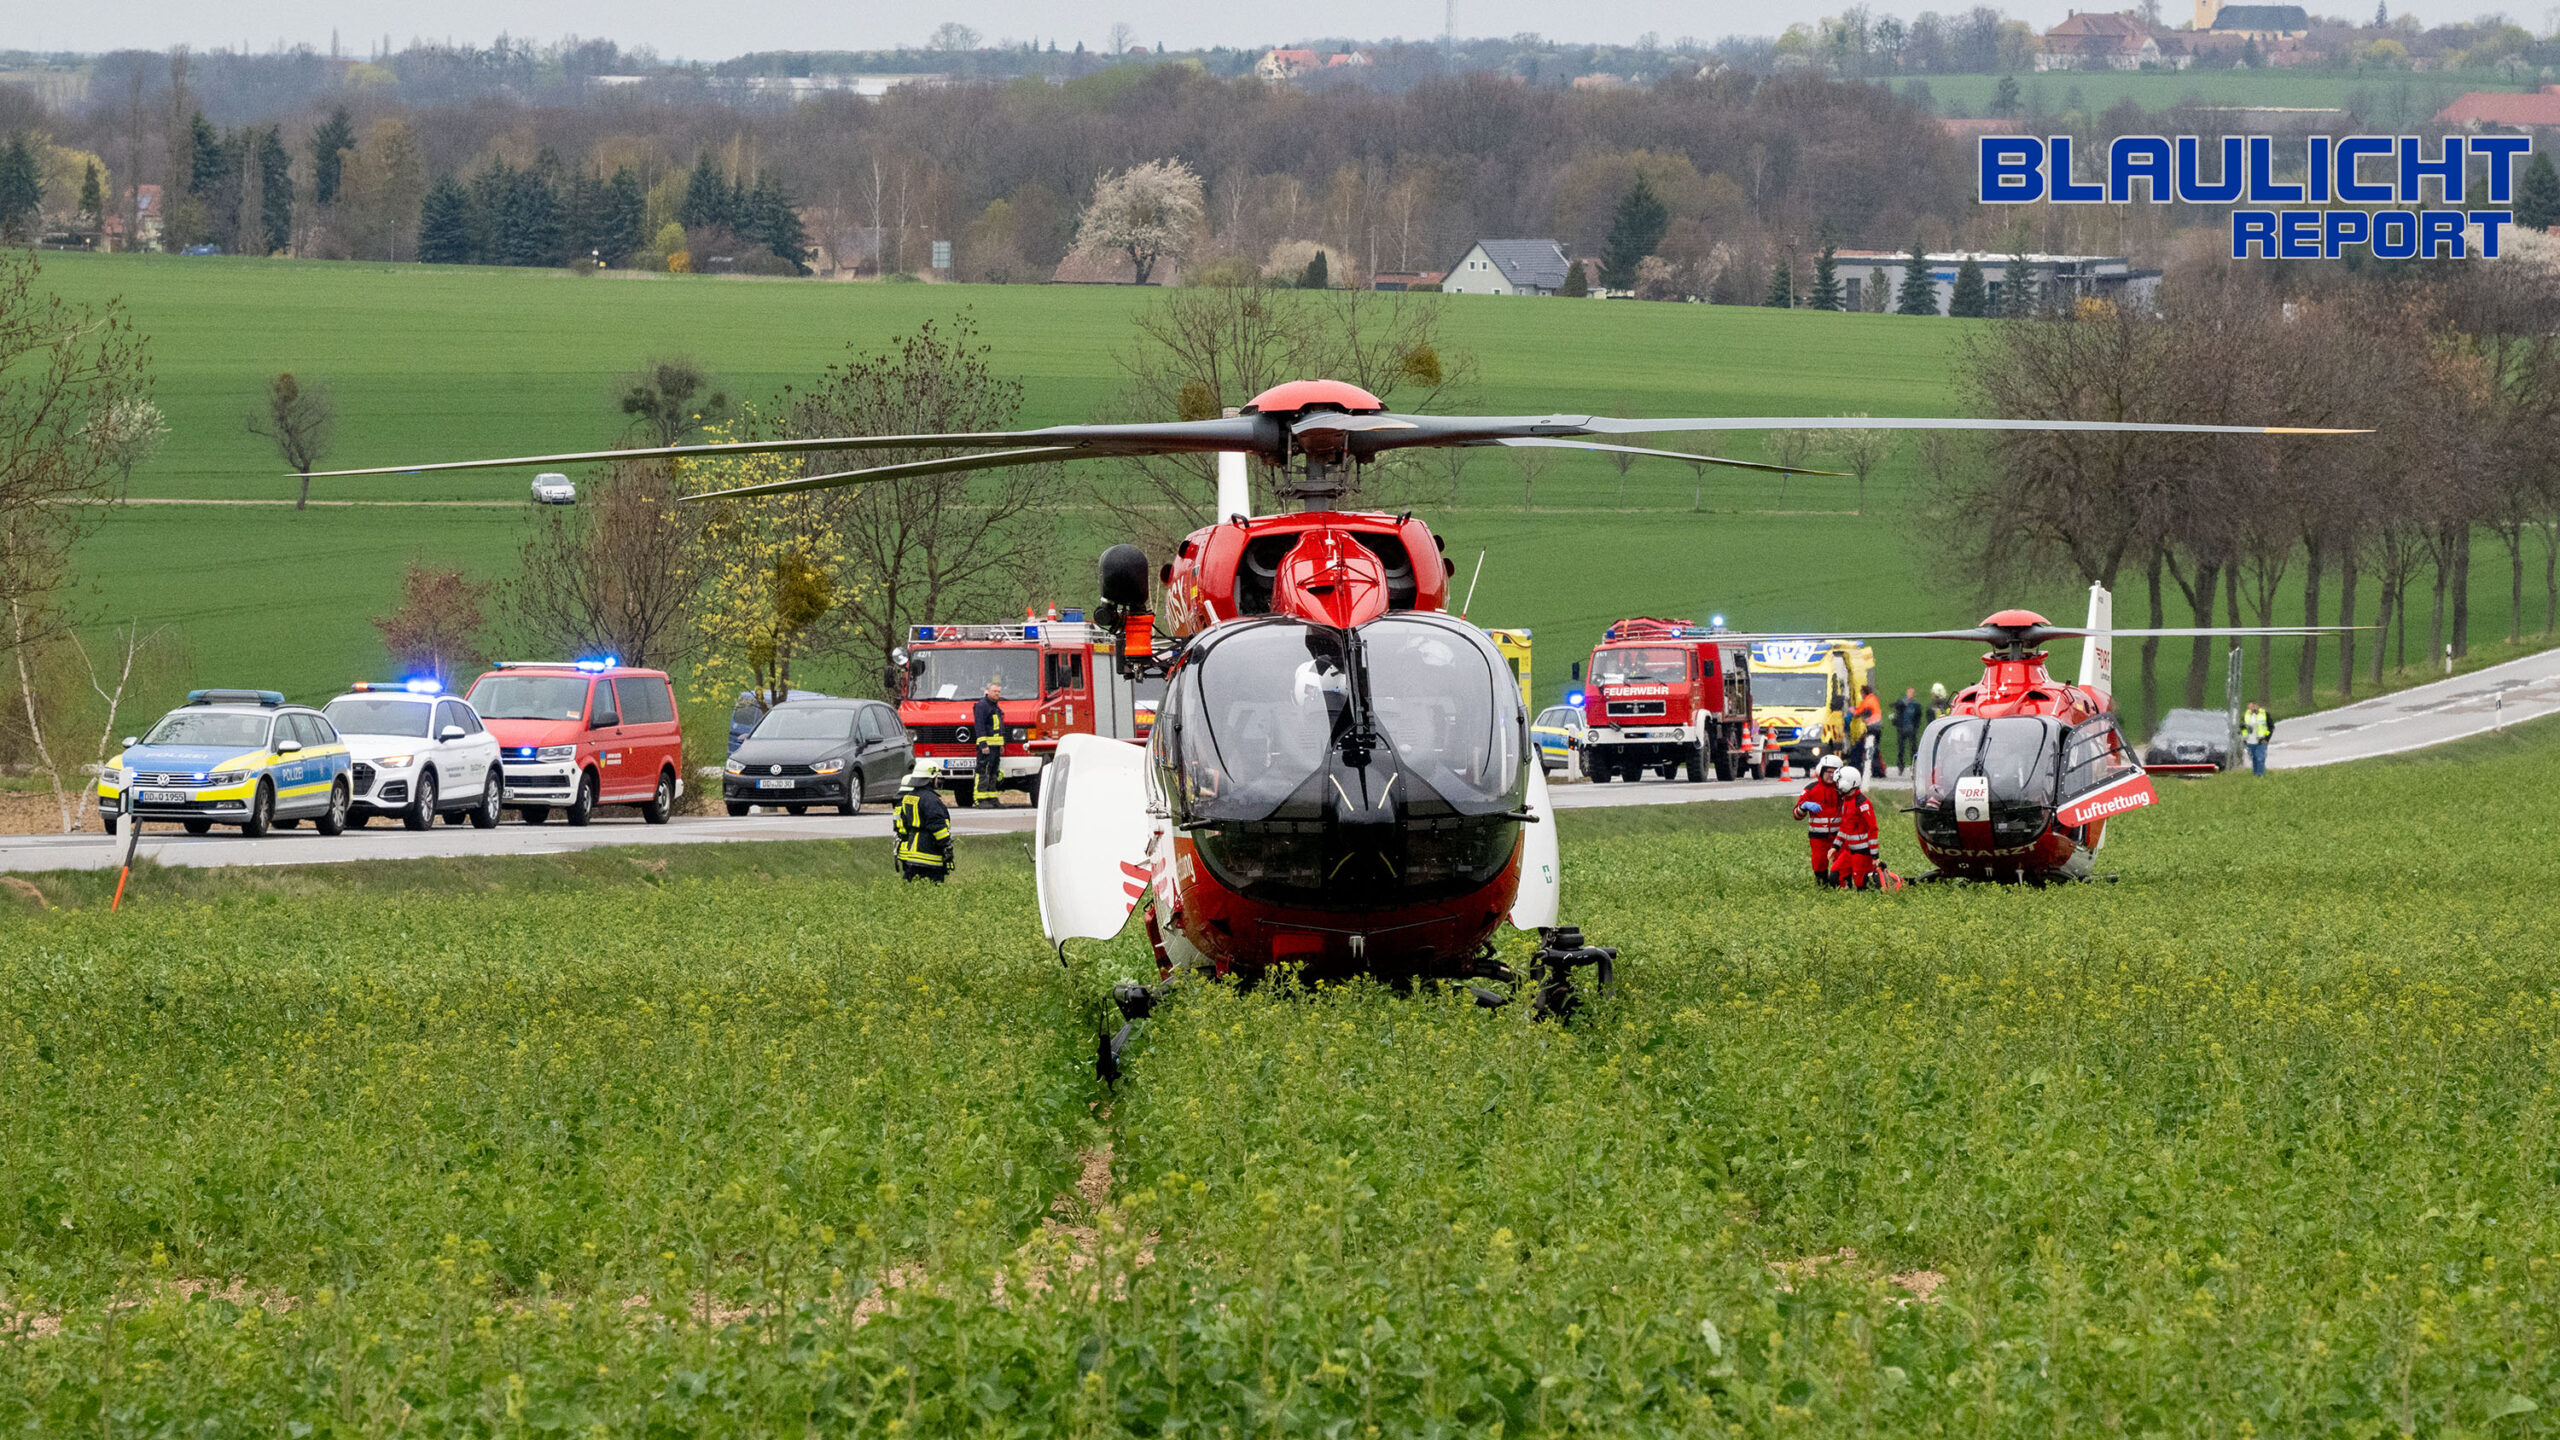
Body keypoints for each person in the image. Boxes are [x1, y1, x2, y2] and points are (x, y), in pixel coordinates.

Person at [1828, 764, 1883, 890]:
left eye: (1838, 783)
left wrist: (1874, 856)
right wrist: (1835, 847)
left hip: (1862, 852)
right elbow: (1844, 827)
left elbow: (1872, 829)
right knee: (1835, 874)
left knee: (1861, 884)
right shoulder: (1846, 801)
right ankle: (1846, 896)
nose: (1836, 786)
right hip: (1849, 850)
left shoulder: (1862, 804)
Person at [893, 772, 955, 881]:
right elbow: (937, 826)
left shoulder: (908, 798)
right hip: (929, 854)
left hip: (911, 852)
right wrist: (946, 845)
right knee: (933, 888)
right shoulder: (931, 800)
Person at [1794, 753, 1844, 886]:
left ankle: (1839, 882)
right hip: (1818, 837)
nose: (1831, 775)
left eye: (1834, 772)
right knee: (1819, 861)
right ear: (1820, 771)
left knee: (1841, 862)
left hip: (1838, 836)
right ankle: (1822, 884)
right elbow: (1796, 815)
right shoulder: (1810, 789)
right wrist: (1804, 806)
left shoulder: (1842, 789)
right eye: (1828, 772)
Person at [971, 678, 1006, 807]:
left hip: (996, 746)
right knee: (983, 771)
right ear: (988, 692)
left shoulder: (995, 706)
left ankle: (992, 798)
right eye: (994, 691)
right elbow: (979, 726)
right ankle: (979, 799)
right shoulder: (982, 706)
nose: (997, 694)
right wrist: (983, 744)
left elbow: (999, 726)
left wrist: (1002, 743)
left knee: (993, 772)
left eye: (999, 691)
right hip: (987, 746)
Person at [1889, 686, 1925, 777]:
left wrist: (1916, 728)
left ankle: (1915, 767)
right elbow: (1894, 705)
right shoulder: (1901, 702)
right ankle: (1900, 767)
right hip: (1901, 729)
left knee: (1913, 749)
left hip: (1911, 729)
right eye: (1909, 692)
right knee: (1901, 750)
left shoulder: (1916, 705)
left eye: (1912, 693)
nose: (1910, 695)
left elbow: (1918, 717)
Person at [2243, 701, 2273, 776]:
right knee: (2254, 759)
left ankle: (2260, 775)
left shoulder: (2264, 714)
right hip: (2250, 741)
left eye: (2253, 706)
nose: (2252, 708)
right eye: (2250, 707)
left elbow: (2271, 727)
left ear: (2257, 706)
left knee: (2260, 758)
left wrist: (2266, 738)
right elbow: (2243, 728)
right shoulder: (2246, 715)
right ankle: (2255, 774)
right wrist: (2244, 738)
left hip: (2261, 741)